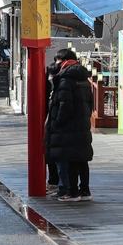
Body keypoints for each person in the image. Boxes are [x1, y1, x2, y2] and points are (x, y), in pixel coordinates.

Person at [45, 48, 95, 201]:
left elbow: (65, 105)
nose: (56, 64)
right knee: (82, 159)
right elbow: (90, 103)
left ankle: (71, 192)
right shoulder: (84, 79)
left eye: (58, 61)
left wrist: (58, 122)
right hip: (82, 125)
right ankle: (85, 191)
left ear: (64, 61)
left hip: (68, 127)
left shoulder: (66, 79)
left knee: (71, 160)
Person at [44, 55, 63, 191]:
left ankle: (56, 182)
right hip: (51, 125)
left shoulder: (61, 88)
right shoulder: (50, 88)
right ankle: (54, 181)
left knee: (57, 157)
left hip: (56, 126)